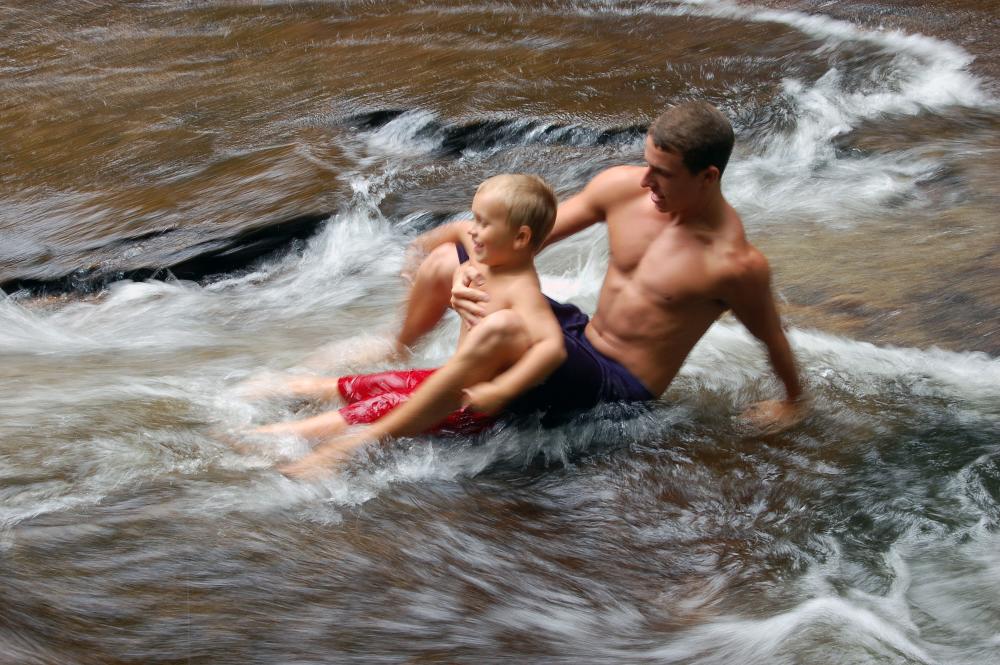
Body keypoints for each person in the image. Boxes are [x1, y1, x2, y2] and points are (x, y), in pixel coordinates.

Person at [279, 100, 807, 478]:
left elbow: (771, 338)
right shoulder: (623, 189)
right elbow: (517, 241)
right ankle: (398, 351)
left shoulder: (734, 265)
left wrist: (793, 401)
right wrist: (465, 272)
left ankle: (364, 443)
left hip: (616, 388)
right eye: (647, 164)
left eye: (662, 174)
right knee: (446, 258)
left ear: (708, 177)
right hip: (580, 336)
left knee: (509, 325)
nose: (645, 182)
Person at [253, 174, 568, 474]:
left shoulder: (523, 290)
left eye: (483, 223)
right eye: (476, 217)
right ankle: (273, 406)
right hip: (444, 379)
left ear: (521, 237)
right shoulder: (493, 260)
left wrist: (501, 389)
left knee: (375, 408)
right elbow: (459, 229)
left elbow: (551, 347)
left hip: (462, 407)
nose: (473, 230)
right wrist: (417, 251)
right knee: (363, 385)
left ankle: (277, 441)